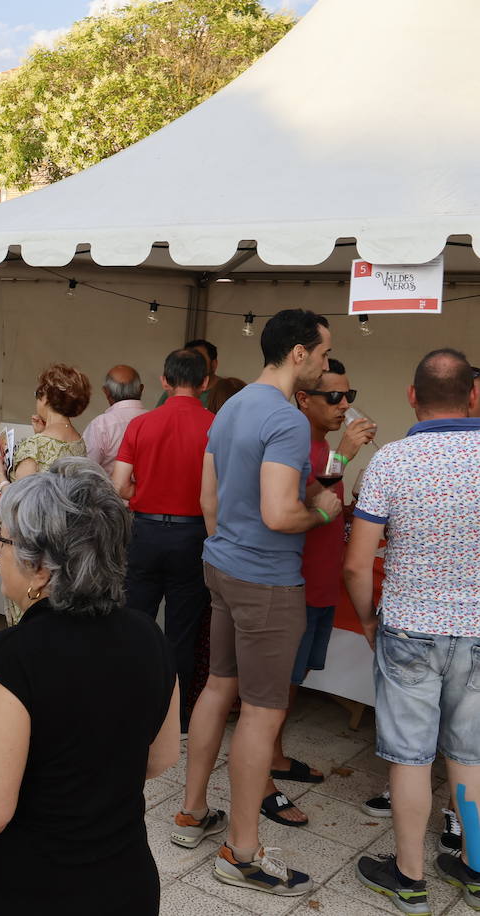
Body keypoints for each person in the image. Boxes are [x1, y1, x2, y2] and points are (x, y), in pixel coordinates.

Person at [0, 458, 180, 915]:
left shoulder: (14, 658)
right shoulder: (149, 636)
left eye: (3, 541)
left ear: (39, 567)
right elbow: (160, 757)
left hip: (26, 889)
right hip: (124, 884)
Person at [174, 308, 339, 898]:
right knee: (263, 712)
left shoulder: (232, 407)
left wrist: (226, 549)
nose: (325, 364)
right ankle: (242, 851)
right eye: (322, 354)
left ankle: (192, 812)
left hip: (221, 566)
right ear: (298, 353)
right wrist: (324, 509)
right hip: (267, 582)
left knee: (219, 686)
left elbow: (208, 497)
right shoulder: (287, 421)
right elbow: (279, 512)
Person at [349, 349, 480, 913]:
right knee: (471, 757)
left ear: (411, 395)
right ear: (473, 394)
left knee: (410, 758)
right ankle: (476, 867)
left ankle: (409, 876)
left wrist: (367, 618)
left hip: (407, 627)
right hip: (477, 630)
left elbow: (357, 564)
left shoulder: (391, 462)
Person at [257, 359, 377, 822]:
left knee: (294, 680)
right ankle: (263, 770)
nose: (344, 405)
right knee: (276, 686)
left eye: (349, 395)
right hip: (295, 585)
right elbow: (303, 497)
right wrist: (345, 453)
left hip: (323, 583)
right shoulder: (297, 444)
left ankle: (276, 754)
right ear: (303, 399)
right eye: (334, 397)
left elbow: (326, 507)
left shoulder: (323, 445)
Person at [111, 347, 214, 730]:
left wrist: (143, 490)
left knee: (135, 622)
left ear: (164, 381)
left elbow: (119, 484)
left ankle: (129, 703)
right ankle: (178, 716)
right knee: (182, 630)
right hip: (193, 535)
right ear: (205, 382)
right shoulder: (215, 424)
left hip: (146, 531)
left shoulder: (141, 424)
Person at [0, 363, 89, 624]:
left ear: (47, 398)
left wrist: (2, 476)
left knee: (26, 616)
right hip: (62, 540)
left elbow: (19, 504)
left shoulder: (34, 446)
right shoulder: (77, 440)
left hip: (30, 545)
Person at [81, 364, 146, 475]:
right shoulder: (156, 420)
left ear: (106, 392)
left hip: (110, 491)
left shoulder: (100, 425)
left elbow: (85, 471)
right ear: (141, 389)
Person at [159, 338, 221, 409]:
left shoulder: (225, 391)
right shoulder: (173, 389)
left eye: (199, 359)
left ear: (213, 364)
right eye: (186, 361)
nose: (191, 365)